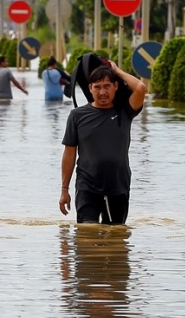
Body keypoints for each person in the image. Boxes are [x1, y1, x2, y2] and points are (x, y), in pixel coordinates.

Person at [59, 60, 148, 224]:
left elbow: (141, 88)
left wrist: (117, 71)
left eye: (107, 86)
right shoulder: (77, 115)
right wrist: (64, 189)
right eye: (97, 87)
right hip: (87, 186)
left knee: (116, 235)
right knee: (86, 235)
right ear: (90, 88)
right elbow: (69, 153)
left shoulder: (124, 111)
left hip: (118, 186)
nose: (102, 92)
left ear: (115, 86)